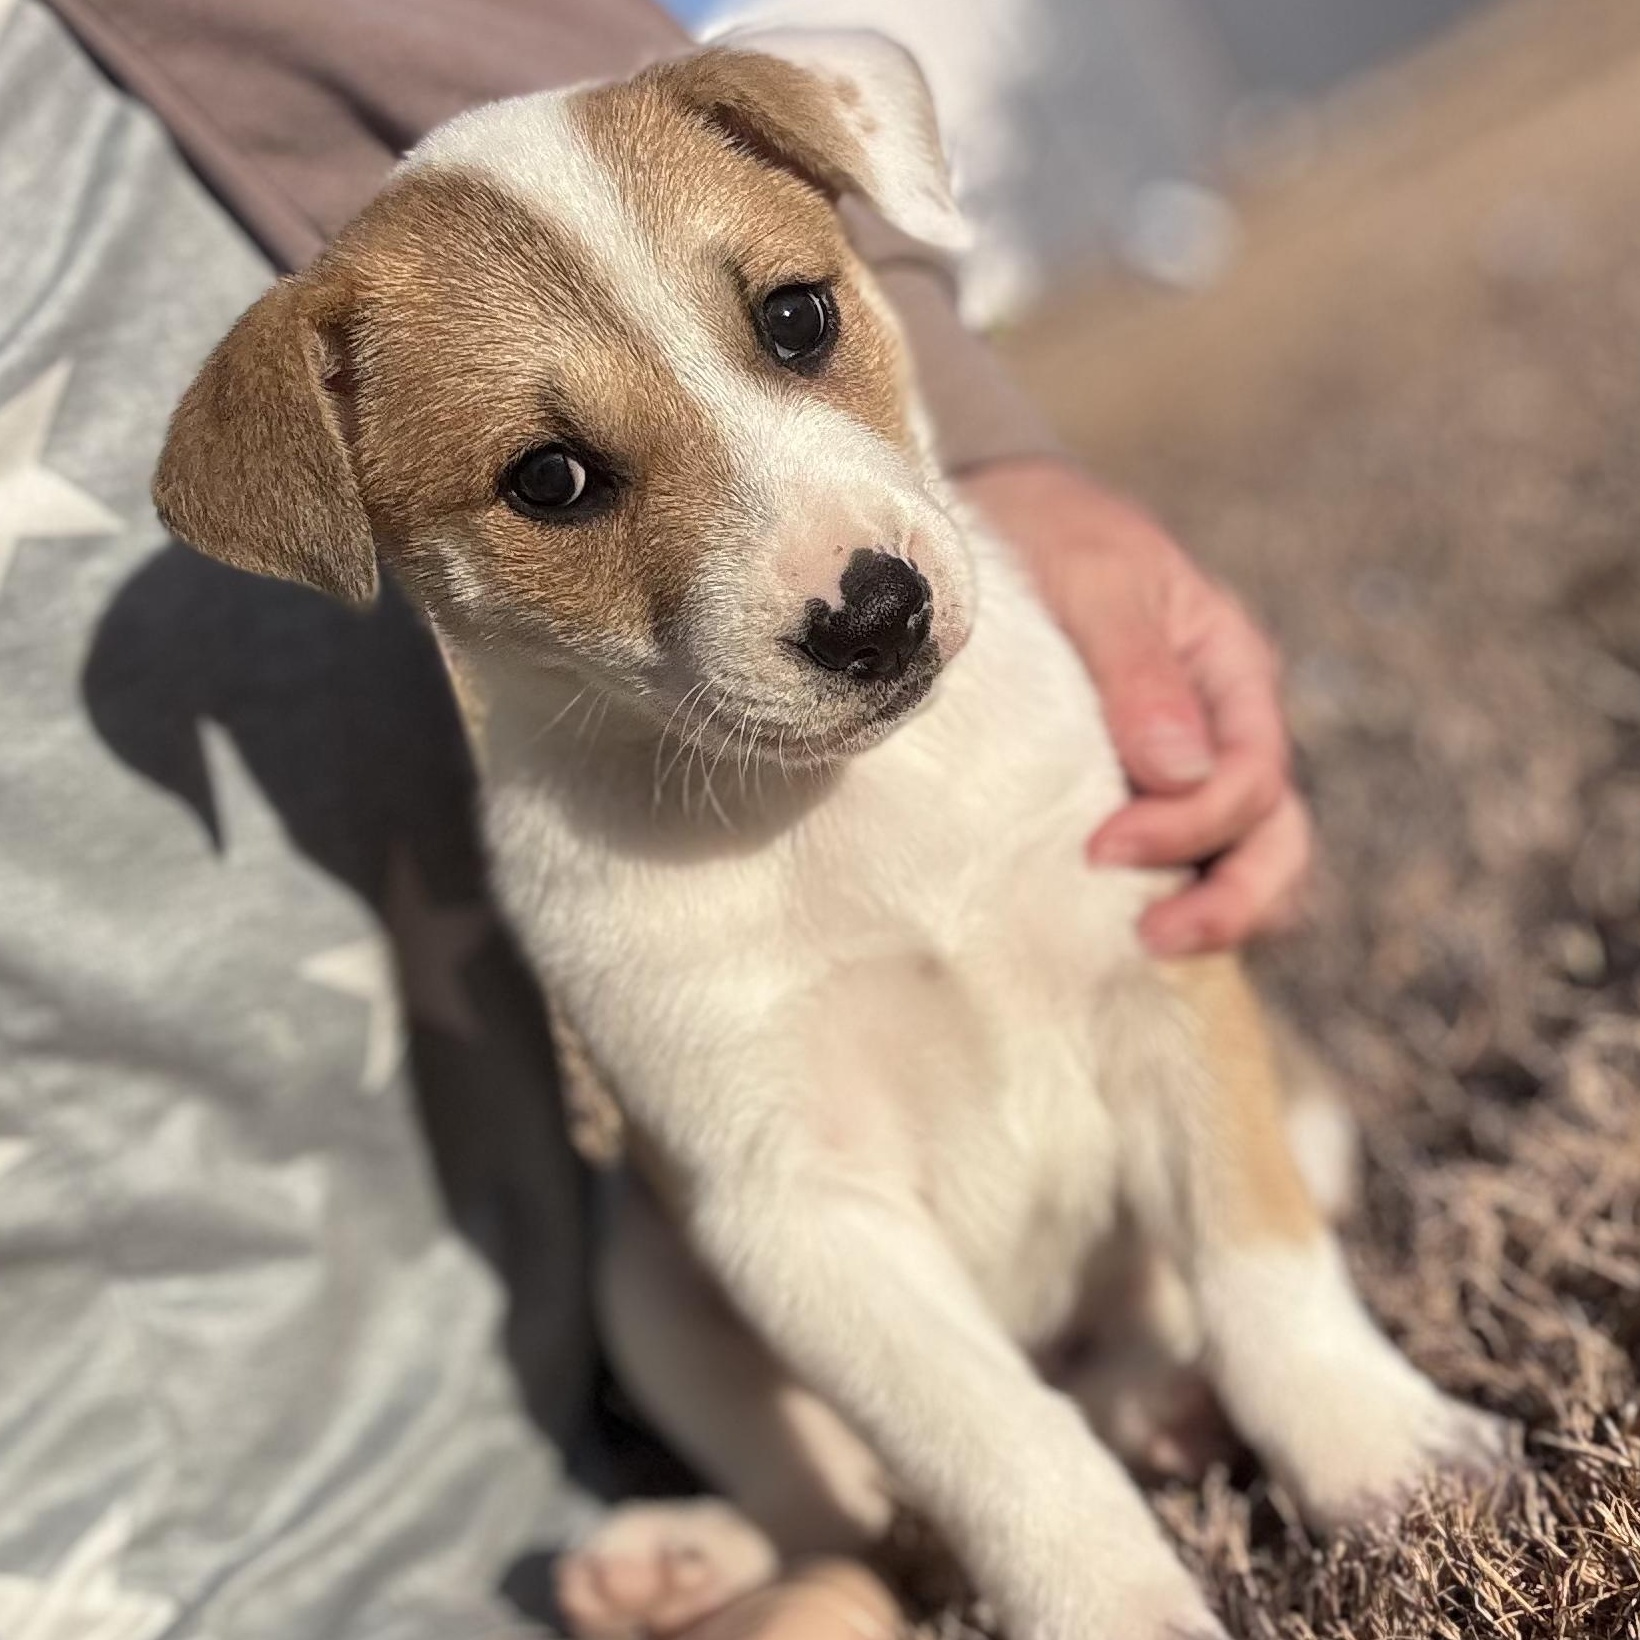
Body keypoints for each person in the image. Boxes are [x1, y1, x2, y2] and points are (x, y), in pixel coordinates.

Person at [7, 2, 1308, 1636]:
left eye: (793, 323)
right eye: (558, 484)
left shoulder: (738, 144)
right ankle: (824, 1532)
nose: (829, 570)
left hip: (1133, 1238)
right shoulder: (590, 840)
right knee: (666, 1264)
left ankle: (1121, 1378)